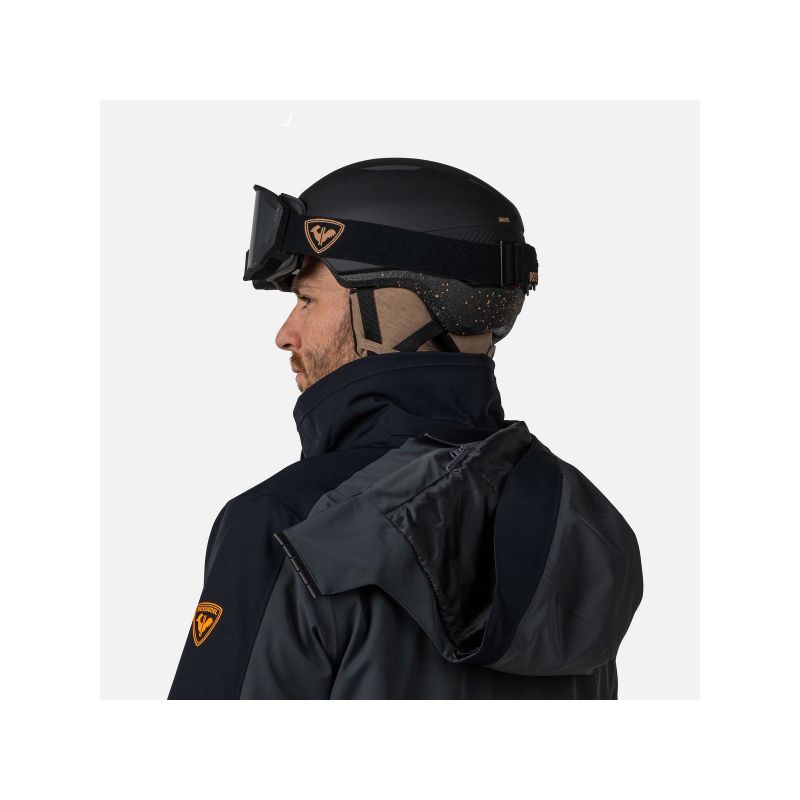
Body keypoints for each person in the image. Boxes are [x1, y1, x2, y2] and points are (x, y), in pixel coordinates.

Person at [168, 157, 643, 699]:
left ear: (389, 313)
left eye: (306, 299)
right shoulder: (575, 523)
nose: (285, 334)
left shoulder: (288, 523)